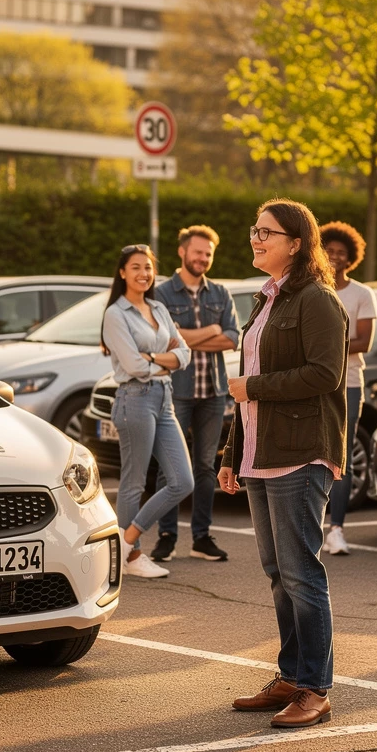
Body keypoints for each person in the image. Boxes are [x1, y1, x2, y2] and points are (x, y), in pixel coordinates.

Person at [219, 199, 348, 730]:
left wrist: (255, 388)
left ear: (296, 242)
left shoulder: (317, 300)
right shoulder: (266, 299)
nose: (255, 238)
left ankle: (315, 687)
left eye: (266, 232)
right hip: (260, 452)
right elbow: (245, 387)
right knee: (278, 573)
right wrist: (231, 455)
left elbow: (325, 374)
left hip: (300, 450)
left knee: (301, 573)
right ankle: (292, 675)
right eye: (254, 230)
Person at [101, 244, 194, 579]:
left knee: (183, 480)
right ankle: (133, 556)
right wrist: (160, 359)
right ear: (123, 272)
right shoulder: (115, 314)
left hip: (164, 399)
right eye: (135, 267)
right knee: (134, 482)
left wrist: (154, 358)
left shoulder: (158, 307)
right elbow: (133, 365)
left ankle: (125, 542)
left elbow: (185, 355)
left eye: (148, 267)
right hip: (134, 399)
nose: (143, 273)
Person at [152, 225, 240, 563]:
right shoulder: (162, 294)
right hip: (175, 391)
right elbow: (164, 340)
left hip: (213, 392)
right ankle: (166, 536)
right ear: (183, 252)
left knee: (205, 466)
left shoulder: (220, 292)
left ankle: (201, 537)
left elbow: (232, 338)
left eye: (208, 254)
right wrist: (210, 331)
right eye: (198, 252)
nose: (203, 258)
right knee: (169, 468)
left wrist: (188, 336)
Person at [320, 221, 377, 556]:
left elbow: (364, 341)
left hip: (349, 384)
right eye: (330, 251)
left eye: (342, 253)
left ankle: (337, 529)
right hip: (314, 383)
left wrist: (322, 345)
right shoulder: (312, 288)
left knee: (340, 457)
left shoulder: (361, 294)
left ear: (351, 257)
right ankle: (312, 526)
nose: (335, 257)